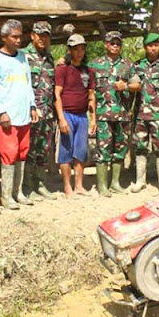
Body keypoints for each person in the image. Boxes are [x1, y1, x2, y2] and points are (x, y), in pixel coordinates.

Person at [0, 19, 39, 210]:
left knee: (22, 153)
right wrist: (0, 111)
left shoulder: (23, 57)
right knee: (9, 154)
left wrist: (32, 106)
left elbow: (28, 83)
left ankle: (18, 192)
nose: (18, 40)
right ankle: (6, 195)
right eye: (14, 37)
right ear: (4, 37)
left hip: (24, 113)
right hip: (7, 117)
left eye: (20, 36)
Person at [89, 30, 140, 197]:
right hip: (103, 115)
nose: (115, 46)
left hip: (123, 115)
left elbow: (137, 85)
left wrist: (125, 86)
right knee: (103, 150)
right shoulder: (95, 65)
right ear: (106, 44)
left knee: (120, 149)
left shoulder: (127, 64)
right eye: (112, 43)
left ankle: (115, 183)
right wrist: (92, 118)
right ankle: (102, 186)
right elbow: (90, 92)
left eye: (118, 43)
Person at [131, 33, 159, 195]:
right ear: (145, 47)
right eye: (150, 45)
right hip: (140, 115)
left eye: (156, 45)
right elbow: (131, 87)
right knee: (140, 147)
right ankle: (140, 181)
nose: (153, 48)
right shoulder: (137, 66)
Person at [54, 34, 96, 197]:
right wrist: (61, 118)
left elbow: (91, 96)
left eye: (81, 49)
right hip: (67, 114)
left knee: (81, 151)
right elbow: (57, 94)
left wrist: (93, 119)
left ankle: (79, 185)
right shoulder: (62, 69)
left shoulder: (88, 71)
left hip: (82, 116)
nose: (79, 52)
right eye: (75, 49)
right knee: (65, 151)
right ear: (69, 50)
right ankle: (67, 187)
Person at [23, 21, 56, 201]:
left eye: (46, 35)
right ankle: (27, 187)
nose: (43, 38)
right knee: (29, 149)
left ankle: (40, 184)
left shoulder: (49, 59)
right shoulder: (22, 57)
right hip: (30, 113)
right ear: (32, 36)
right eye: (39, 34)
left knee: (43, 148)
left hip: (48, 112)